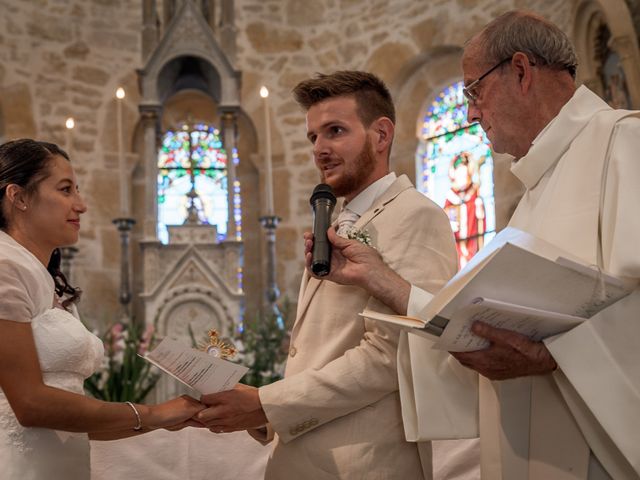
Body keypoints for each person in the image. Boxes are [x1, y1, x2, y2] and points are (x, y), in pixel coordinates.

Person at [312, 11, 640, 480]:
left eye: (473, 90)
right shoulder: (534, 195)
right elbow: (488, 327)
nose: (469, 112)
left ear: (522, 71)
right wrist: (377, 277)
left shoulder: (626, 142)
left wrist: (551, 356)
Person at [195, 71, 460, 479]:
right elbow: (319, 351)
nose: (320, 149)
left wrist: (267, 403)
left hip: (365, 465)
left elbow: (391, 356)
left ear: (381, 135)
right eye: (313, 137)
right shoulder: (334, 218)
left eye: (335, 131)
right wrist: (262, 415)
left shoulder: (416, 215)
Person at [0, 139, 205, 479]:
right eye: (66, 190)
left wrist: (170, 420)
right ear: (18, 197)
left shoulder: (40, 278)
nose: (80, 205)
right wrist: (152, 412)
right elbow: (31, 405)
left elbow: (70, 416)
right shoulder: (5, 267)